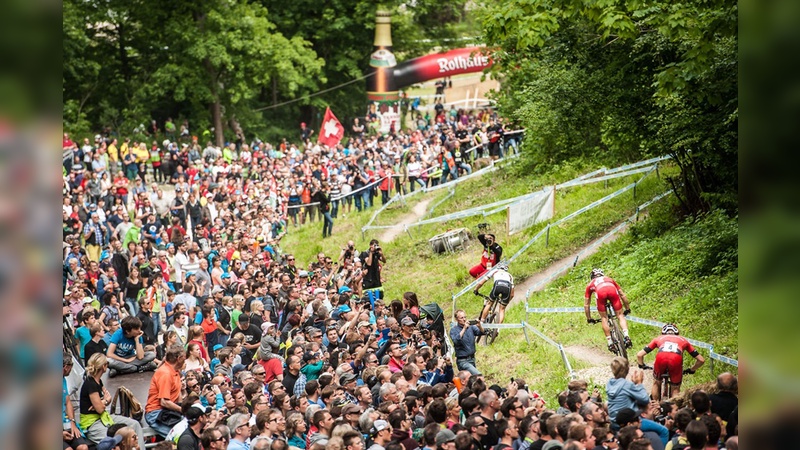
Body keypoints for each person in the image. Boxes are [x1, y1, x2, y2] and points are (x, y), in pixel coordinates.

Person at [79, 354, 146, 450]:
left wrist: (103, 402)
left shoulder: (99, 381)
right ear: (103, 366)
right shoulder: (90, 384)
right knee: (112, 443)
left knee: (135, 424)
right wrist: (105, 401)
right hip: (93, 423)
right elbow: (100, 409)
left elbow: (106, 400)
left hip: (104, 417)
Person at [635, 323, 706, 400]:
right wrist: (692, 370)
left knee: (656, 382)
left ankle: (655, 405)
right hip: (676, 359)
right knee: (675, 387)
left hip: (661, 357)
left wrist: (642, 365)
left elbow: (639, 355)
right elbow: (701, 360)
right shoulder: (683, 340)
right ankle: (673, 408)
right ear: (677, 333)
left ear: (663, 333)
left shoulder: (659, 338)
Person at [584, 268, 633, 352]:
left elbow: (586, 304)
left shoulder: (590, 284)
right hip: (611, 290)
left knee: (604, 318)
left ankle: (610, 343)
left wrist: (589, 318)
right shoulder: (609, 279)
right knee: (620, 315)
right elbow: (622, 295)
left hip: (600, 292)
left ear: (592, 277)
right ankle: (626, 336)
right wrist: (627, 308)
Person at [145, 344, 186, 437]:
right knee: (181, 436)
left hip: (168, 411)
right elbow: (164, 402)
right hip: (156, 413)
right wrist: (183, 410)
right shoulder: (166, 373)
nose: (185, 360)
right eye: (184, 357)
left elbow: (178, 397)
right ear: (179, 358)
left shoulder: (175, 371)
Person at [606, 357, 650, 424]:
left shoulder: (610, 383)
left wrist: (633, 384)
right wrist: (639, 384)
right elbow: (645, 399)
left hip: (614, 422)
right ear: (627, 369)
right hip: (629, 422)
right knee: (662, 430)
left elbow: (624, 392)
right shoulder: (627, 385)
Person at [474, 262, 514, 326]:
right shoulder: (510, 276)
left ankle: (481, 323)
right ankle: (498, 328)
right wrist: (506, 302)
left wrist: (476, 289)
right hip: (507, 287)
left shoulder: (495, 271)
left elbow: (481, 283)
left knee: (489, 303)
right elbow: (512, 295)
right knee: (502, 309)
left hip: (497, 285)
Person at [449, 309, 484, 376]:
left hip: (472, 358)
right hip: (463, 361)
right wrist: (464, 328)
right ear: (457, 319)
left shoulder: (470, 327)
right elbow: (456, 340)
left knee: (472, 380)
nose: (464, 319)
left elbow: (482, 332)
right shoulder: (453, 330)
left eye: (465, 317)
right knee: (478, 375)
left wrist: (479, 326)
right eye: (462, 318)